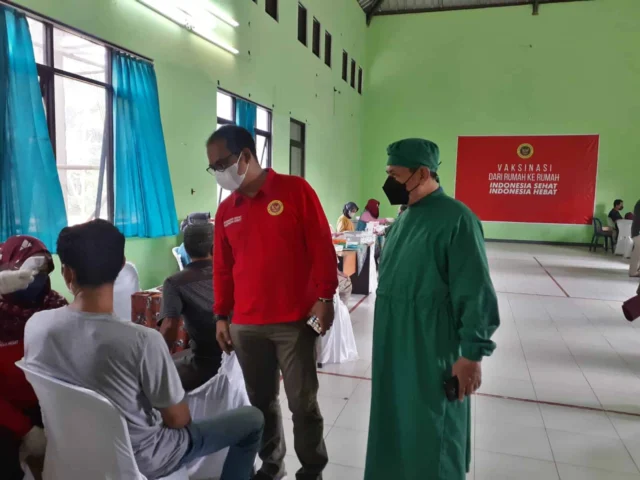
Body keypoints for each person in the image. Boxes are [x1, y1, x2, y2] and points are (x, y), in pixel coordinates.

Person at [23, 220, 263, 480]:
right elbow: (178, 420)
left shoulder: (36, 326)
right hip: (147, 459)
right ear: (121, 265)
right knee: (252, 420)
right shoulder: (142, 341)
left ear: (67, 273)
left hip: (71, 451)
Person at [365, 139, 500, 480]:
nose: (389, 183)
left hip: (430, 348)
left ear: (422, 173)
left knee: (431, 431)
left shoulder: (457, 219)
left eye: (395, 174)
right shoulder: (406, 218)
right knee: (393, 426)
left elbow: (476, 292)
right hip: (393, 347)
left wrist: (471, 354)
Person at [208, 125, 338, 480]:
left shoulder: (295, 191)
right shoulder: (226, 212)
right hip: (247, 325)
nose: (219, 173)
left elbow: (321, 246)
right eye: (213, 168)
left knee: (302, 403)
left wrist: (325, 298)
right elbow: (222, 268)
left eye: (222, 164)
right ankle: (271, 465)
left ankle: (312, 470)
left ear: (246, 157)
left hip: (294, 321)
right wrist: (221, 315)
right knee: (262, 403)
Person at [0, 236, 68, 480]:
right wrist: (26, 430)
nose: (36, 278)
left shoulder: (56, 306)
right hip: (6, 415)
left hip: (50, 406)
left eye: (43, 270)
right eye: (28, 270)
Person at [160, 222, 223, 391]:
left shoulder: (175, 282)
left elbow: (169, 328)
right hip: (242, 361)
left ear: (185, 249)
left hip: (206, 363)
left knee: (154, 381)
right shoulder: (234, 273)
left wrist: (157, 363)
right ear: (215, 248)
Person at [630, 199, 640, 278]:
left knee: (636, 252)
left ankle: (634, 271)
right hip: (638, 232)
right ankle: (633, 272)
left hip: (636, 231)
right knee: (637, 253)